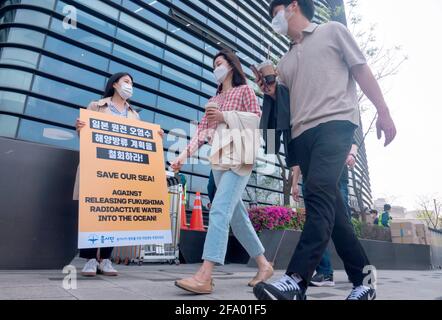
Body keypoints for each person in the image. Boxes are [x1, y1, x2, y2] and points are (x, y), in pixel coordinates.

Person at [253, 0, 396, 301]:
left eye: (274, 13)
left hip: (336, 124)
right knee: (335, 212)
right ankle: (366, 280)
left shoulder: (333, 31)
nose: (273, 20)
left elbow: (361, 71)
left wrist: (383, 111)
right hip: (302, 136)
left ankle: (295, 281)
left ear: (293, 6)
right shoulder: (286, 62)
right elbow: (285, 104)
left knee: (318, 191)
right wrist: (271, 91)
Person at [171, 49, 274, 294]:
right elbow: (202, 132)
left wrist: (225, 115)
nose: (216, 68)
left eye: (219, 63)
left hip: (239, 156)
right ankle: (264, 264)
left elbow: (257, 121)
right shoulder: (213, 100)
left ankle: (205, 275)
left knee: (218, 209)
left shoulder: (245, 90)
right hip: (219, 157)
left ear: (231, 65)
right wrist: (184, 155)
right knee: (236, 216)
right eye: (214, 65)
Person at [74, 72, 163, 277]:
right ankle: (89, 259)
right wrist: (79, 128)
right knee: (94, 211)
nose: (129, 86)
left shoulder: (134, 115)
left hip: (121, 171)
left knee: (113, 215)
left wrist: (155, 137)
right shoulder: (96, 106)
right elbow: (85, 135)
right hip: (98, 169)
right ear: (115, 84)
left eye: (131, 83)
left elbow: (141, 143)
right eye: (126, 82)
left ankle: (105, 259)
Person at [292, 143, 358, 287]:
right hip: (311, 179)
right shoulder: (303, 125)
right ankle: (325, 273)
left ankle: (357, 271)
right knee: (316, 223)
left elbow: (352, 141)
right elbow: (298, 157)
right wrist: (295, 183)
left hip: (337, 177)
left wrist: (352, 154)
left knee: (344, 224)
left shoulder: (335, 121)